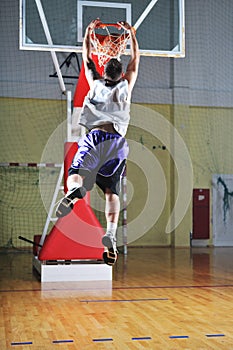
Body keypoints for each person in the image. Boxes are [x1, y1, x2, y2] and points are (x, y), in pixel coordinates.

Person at [56, 18, 140, 264]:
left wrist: (89, 33)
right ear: (121, 73)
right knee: (111, 190)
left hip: (95, 137)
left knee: (75, 172)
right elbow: (136, 59)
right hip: (116, 142)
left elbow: (86, 58)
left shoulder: (94, 83)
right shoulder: (126, 85)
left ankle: (74, 191)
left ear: (103, 71)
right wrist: (131, 35)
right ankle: (111, 236)